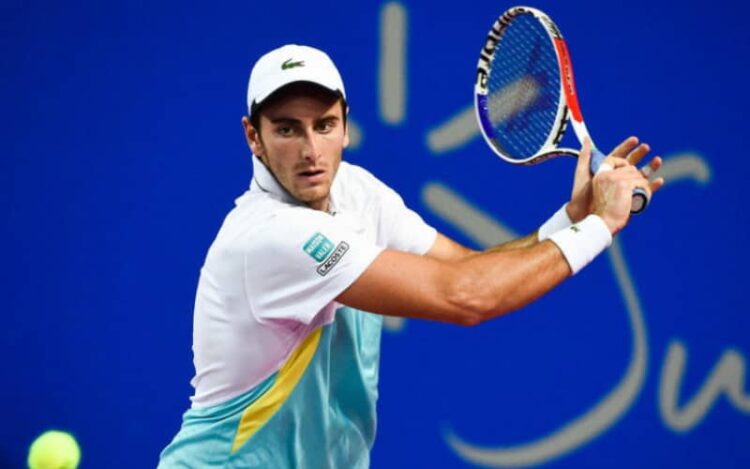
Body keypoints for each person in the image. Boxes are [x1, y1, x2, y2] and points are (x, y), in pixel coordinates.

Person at [158, 44, 663, 468]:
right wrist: (601, 225)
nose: (311, 150)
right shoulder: (270, 236)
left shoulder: (356, 190)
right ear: (254, 137)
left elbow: (462, 266)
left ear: (346, 125)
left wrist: (572, 219)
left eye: (324, 125)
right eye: (287, 129)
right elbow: (468, 297)